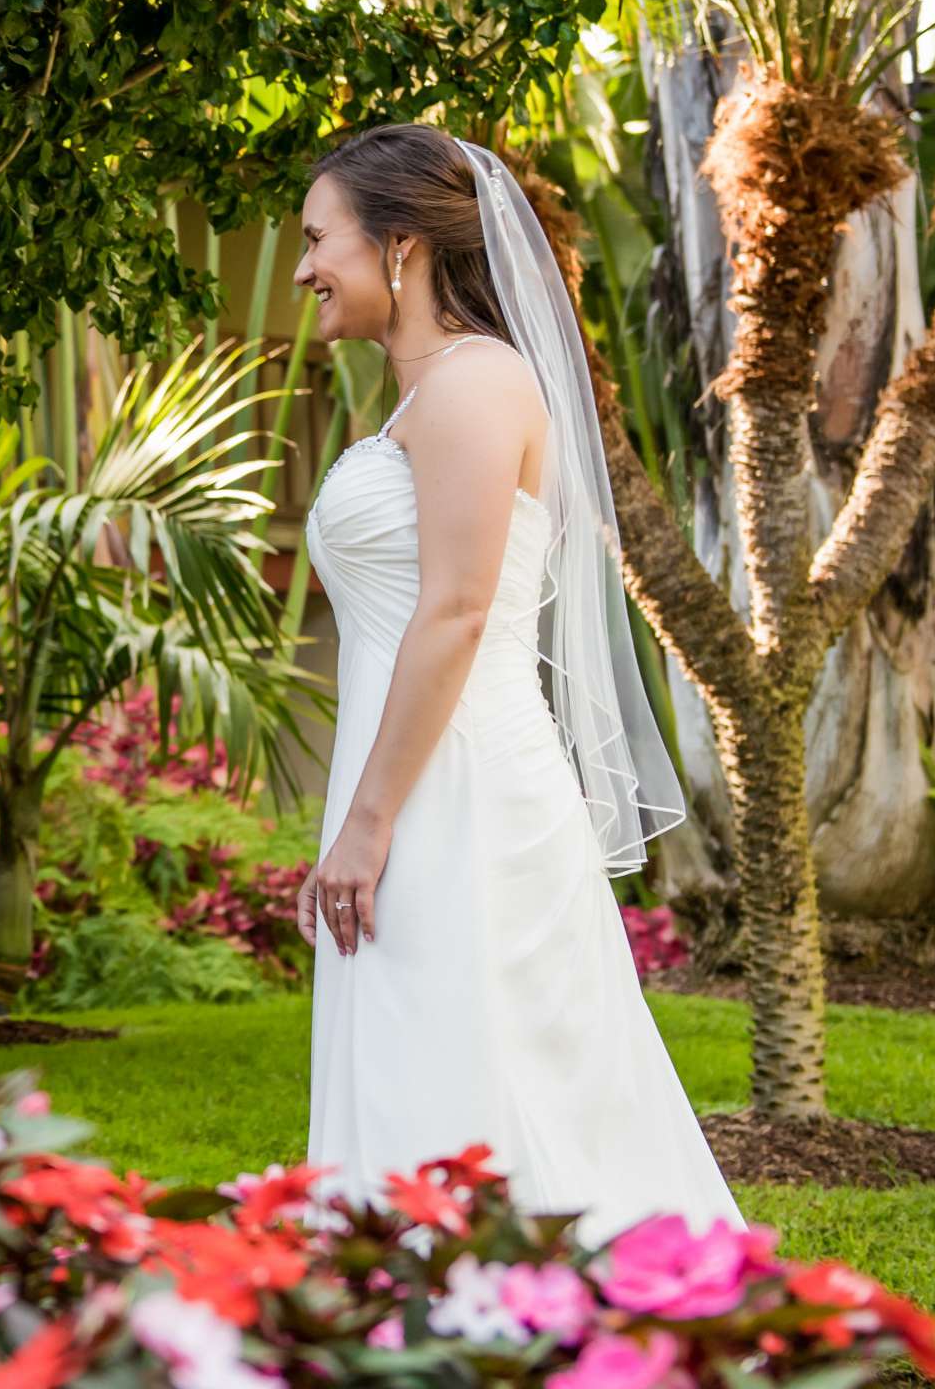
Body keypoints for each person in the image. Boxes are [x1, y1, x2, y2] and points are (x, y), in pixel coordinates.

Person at [290, 123, 740, 1244]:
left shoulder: (474, 384)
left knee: (477, 1064)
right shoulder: (425, 395)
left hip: (465, 790)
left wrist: (369, 821)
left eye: (316, 238)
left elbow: (458, 609)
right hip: (417, 775)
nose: (302, 268)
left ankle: (515, 1319)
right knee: (421, 1049)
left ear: (398, 247)